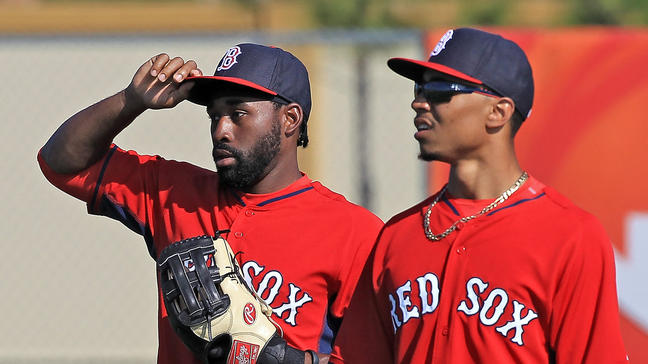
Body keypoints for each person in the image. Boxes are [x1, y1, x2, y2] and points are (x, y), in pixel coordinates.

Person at [38, 43, 383, 364]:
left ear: (290, 119)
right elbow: (63, 162)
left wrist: (284, 360)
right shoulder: (174, 192)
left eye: (238, 113)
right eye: (214, 116)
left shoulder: (354, 232)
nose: (221, 130)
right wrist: (131, 101)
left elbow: (379, 353)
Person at [330, 27, 628, 363]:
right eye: (419, 87)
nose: (419, 101)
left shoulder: (570, 236)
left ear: (498, 112)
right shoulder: (398, 235)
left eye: (441, 90)